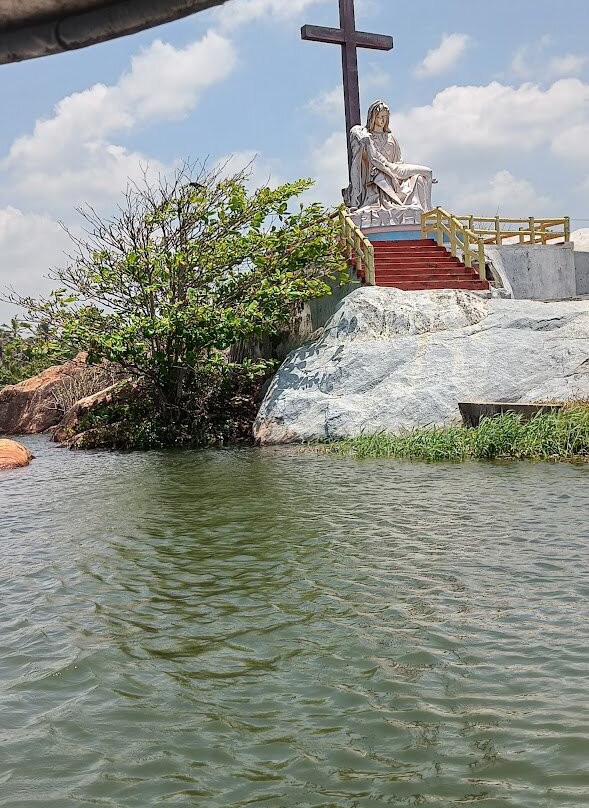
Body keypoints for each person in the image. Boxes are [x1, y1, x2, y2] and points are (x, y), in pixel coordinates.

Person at [345, 100, 434, 224]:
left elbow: (399, 161)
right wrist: (391, 176)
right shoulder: (367, 138)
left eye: (385, 117)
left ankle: (428, 209)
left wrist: (396, 175)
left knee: (421, 177)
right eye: (380, 117)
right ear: (373, 117)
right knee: (425, 173)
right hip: (378, 173)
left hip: (396, 169)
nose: (383, 120)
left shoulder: (391, 138)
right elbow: (370, 158)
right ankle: (425, 209)